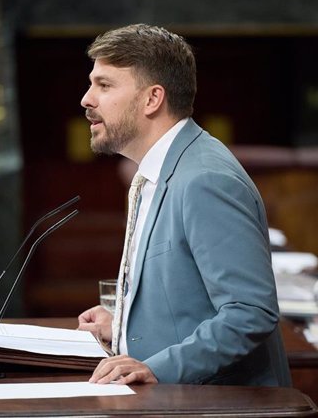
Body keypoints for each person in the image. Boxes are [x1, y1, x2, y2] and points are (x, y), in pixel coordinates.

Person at [76, 23, 291, 387]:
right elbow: (187, 297)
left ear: (152, 99)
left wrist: (157, 369)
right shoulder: (159, 169)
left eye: (105, 85)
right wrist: (126, 323)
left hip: (217, 406)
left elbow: (250, 312)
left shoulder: (205, 180)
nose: (87, 99)